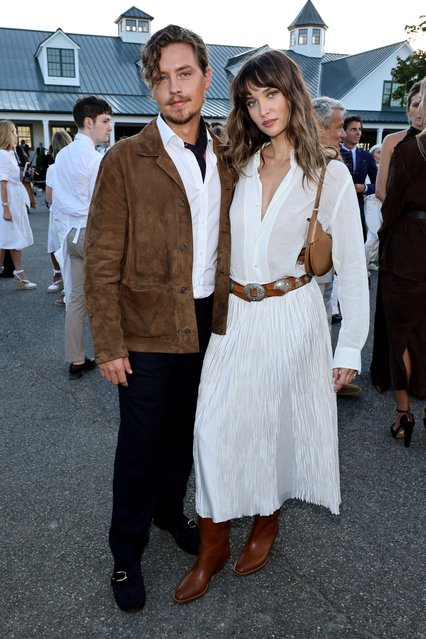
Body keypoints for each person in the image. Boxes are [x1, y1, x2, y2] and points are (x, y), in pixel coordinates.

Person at [173, 49, 369, 605]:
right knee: (212, 430)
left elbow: (352, 266)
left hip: (293, 315)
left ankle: (265, 523)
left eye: (271, 94)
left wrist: (348, 345)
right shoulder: (237, 164)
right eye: (251, 99)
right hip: (234, 318)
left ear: (293, 94)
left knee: (274, 428)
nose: (262, 109)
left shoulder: (327, 174)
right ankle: (211, 545)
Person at [84, 25, 233, 613]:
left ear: (205, 76)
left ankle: (171, 511)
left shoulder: (228, 153)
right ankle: (126, 552)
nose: (175, 89)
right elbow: (99, 258)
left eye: (185, 74)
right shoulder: (125, 159)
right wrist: (108, 343)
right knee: (140, 443)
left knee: (186, 435)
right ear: (151, 86)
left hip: (207, 321)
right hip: (144, 327)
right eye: (163, 78)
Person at [370, 77, 426, 448]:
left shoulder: (394, 142)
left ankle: (403, 417)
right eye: (413, 102)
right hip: (409, 242)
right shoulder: (393, 141)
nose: (417, 108)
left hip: (405, 242)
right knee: (409, 330)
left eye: (423, 103)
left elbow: (381, 192)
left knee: (400, 328)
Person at [52, 96, 112, 378]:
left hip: (70, 234)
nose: (109, 127)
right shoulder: (95, 159)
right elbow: (101, 207)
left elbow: (57, 201)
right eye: (105, 121)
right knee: (109, 296)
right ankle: (115, 355)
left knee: (76, 298)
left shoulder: (62, 155)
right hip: (91, 233)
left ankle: (76, 359)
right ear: (89, 122)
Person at [312, 97, 361, 397]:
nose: (343, 133)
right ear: (317, 127)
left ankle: (327, 374)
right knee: (315, 327)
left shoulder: (334, 166)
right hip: (305, 269)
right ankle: (321, 379)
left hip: (323, 262)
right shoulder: (315, 165)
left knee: (323, 322)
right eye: (339, 126)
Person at [0, 120, 36, 289]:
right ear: (7, 134)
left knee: (14, 238)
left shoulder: (10, 153)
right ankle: (18, 273)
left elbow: (12, 179)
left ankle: (19, 273)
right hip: (8, 202)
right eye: (14, 131)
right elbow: (2, 182)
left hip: (15, 200)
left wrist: (24, 173)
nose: (16, 134)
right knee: (5, 240)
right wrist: (6, 207)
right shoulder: (2, 153)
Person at [375, 82, 422, 203]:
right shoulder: (391, 141)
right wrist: (396, 215)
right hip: (400, 218)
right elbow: (380, 190)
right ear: (408, 111)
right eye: (416, 104)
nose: (420, 110)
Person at [340, 115, 377, 240]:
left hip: (358, 208)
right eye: (353, 129)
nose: (358, 133)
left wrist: (365, 188)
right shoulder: (332, 153)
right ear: (343, 131)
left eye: (360, 129)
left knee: (357, 241)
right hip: (337, 207)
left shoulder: (367, 156)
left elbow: (379, 185)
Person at [45, 130, 72, 295]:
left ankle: (60, 278)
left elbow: (49, 196)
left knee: (56, 245)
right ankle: (65, 280)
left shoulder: (53, 168)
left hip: (59, 213)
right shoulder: (77, 164)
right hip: (76, 212)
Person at [364, 143, 382, 271]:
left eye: (383, 152)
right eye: (378, 152)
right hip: (371, 203)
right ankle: (362, 262)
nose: (380, 155)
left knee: (379, 234)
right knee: (374, 234)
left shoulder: (386, 167)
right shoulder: (368, 167)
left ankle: (369, 260)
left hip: (381, 203)